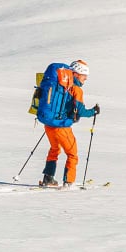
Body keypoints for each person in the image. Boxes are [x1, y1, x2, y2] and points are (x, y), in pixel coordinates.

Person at [34, 58, 100, 187]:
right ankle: (69, 182)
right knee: (72, 154)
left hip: (49, 125)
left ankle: (48, 179)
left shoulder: (60, 85)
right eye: (83, 77)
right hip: (62, 126)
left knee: (54, 149)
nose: (85, 80)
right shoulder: (76, 89)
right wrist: (93, 111)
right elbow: (81, 111)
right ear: (76, 73)